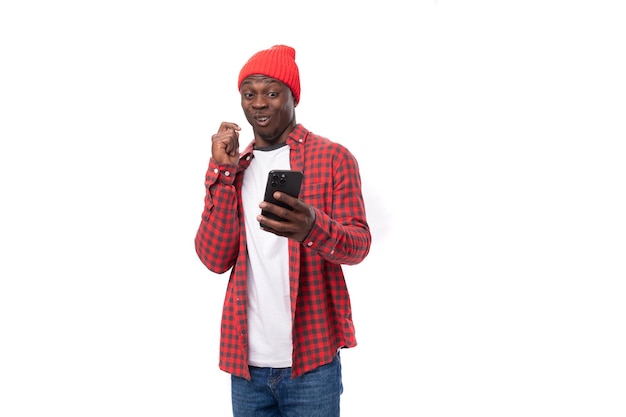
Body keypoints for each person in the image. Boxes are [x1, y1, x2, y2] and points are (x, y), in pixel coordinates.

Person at [194, 44, 371, 417]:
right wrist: (221, 172)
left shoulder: (333, 157)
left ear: (293, 97)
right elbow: (213, 258)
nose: (259, 104)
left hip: (312, 362)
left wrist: (312, 227)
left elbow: (358, 245)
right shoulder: (234, 168)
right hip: (246, 365)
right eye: (249, 94)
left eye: (272, 93)